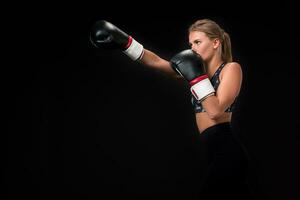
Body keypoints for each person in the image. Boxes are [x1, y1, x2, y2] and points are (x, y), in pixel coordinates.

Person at [90, 19, 255, 199]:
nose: (193, 48)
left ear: (216, 43)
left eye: (198, 42)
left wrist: (196, 77)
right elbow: (156, 62)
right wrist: (125, 42)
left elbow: (215, 111)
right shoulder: (196, 70)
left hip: (227, 152)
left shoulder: (230, 69)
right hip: (214, 153)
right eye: (191, 44)